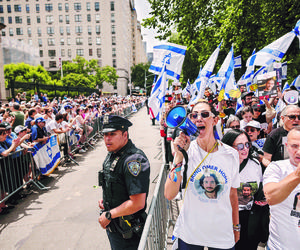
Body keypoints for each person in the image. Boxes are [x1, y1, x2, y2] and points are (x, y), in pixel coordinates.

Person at [165, 99, 240, 249]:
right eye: (194, 115)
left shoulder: (231, 154)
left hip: (221, 235)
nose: (199, 118)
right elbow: (169, 194)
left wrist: (236, 226)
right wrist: (179, 156)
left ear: (215, 120)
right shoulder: (186, 152)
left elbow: (233, 195)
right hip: (190, 235)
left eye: (204, 114)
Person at [98, 115, 150, 250]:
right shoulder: (114, 152)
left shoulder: (134, 160)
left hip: (128, 232)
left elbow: (137, 203)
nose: (107, 139)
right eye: (105, 134)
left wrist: (109, 214)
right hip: (115, 227)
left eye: (112, 134)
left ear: (125, 134)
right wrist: (107, 200)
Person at [221, 129, 269, 250]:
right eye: (240, 146)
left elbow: (260, 188)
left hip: (250, 219)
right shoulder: (220, 166)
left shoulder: (255, 165)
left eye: (247, 144)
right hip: (226, 218)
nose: (245, 149)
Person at [263, 127, 300, 249]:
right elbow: (271, 197)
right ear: (286, 146)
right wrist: (297, 175)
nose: (299, 151)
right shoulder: (276, 168)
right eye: (294, 146)